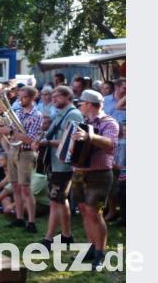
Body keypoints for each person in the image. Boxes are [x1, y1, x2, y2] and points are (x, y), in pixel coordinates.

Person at [72, 89, 119, 269]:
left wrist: (89, 136)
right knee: (84, 210)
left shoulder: (110, 123)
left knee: (94, 213)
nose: (79, 106)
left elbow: (110, 145)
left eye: (81, 103)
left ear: (90, 104)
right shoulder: (83, 122)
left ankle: (101, 253)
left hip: (99, 174)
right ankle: (92, 248)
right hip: (80, 172)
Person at [37, 86, 82, 250]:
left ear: (68, 97)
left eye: (57, 96)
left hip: (63, 165)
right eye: (53, 96)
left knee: (55, 201)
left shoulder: (74, 114)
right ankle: (66, 235)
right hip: (54, 163)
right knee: (60, 201)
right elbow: (50, 133)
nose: (53, 99)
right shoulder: (59, 114)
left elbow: (70, 140)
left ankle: (48, 240)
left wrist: (47, 143)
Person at [0, 86, 43, 233]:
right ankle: (19, 219)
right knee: (16, 187)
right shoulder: (17, 112)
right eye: (19, 96)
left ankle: (31, 222)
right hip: (13, 150)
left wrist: (12, 131)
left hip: (26, 153)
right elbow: (5, 130)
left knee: (25, 188)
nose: (20, 99)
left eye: (23, 97)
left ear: (32, 98)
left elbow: (29, 139)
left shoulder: (36, 115)